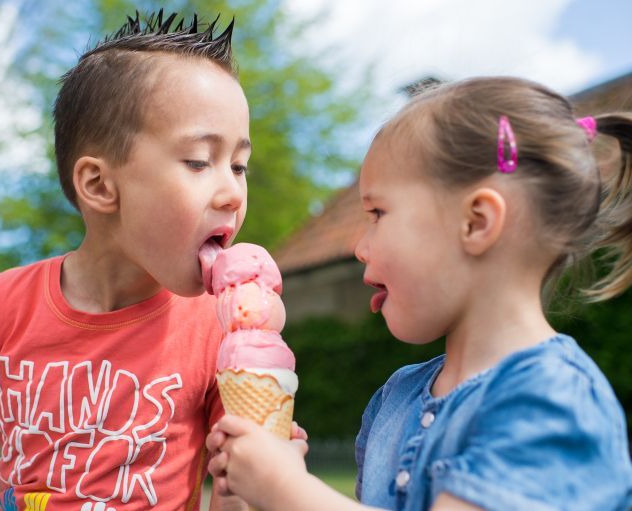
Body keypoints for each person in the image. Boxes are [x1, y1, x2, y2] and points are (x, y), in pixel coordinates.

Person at [0, 10, 253, 511]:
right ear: (99, 185)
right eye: (200, 161)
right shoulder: (5, 302)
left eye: (240, 165)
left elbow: (237, 487)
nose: (231, 192)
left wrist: (260, 475)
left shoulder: (225, 327)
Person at [206, 76, 632, 511]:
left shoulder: (552, 400)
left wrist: (285, 488)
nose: (359, 246)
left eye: (377, 213)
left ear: (477, 222)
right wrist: (248, 491)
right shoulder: (397, 398)